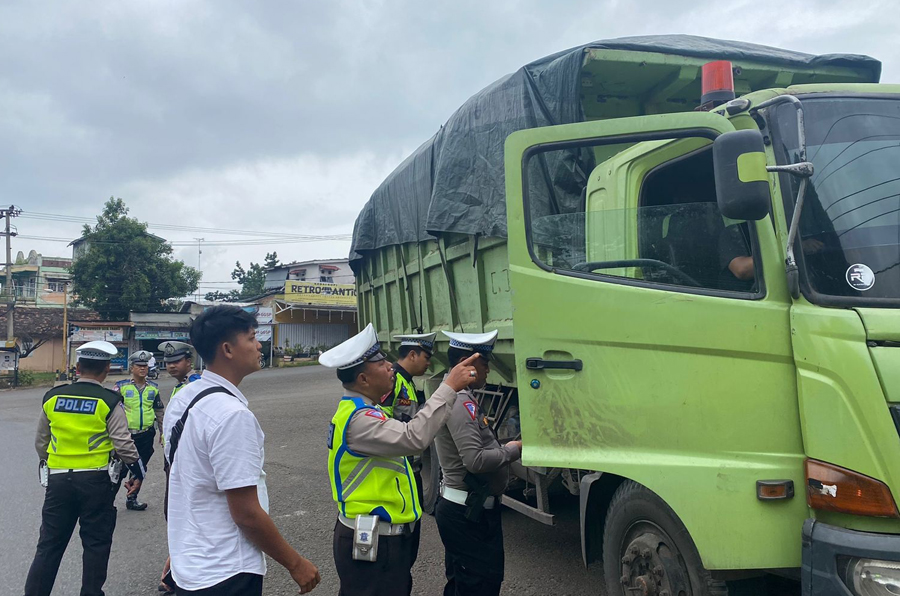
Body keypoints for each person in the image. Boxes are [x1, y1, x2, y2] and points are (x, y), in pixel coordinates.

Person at [162, 305, 320, 595]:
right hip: (226, 572)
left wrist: (180, 547)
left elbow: (183, 480)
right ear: (228, 349)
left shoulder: (183, 398)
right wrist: (296, 564)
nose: (259, 345)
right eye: (250, 338)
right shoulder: (232, 416)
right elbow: (246, 513)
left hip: (192, 566)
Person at [322, 323, 480, 596]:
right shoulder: (359, 420)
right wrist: (449, 386)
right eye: (381, 363)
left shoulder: (367, 410)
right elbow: (413, 437)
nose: (389, 367)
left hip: (386, 535)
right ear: (363, 380)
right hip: (374, 538)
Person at [24, 340, 146, 596]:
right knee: (95, 545)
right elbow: (124, 445)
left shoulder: (53, 397)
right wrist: (137, 471)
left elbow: (41, 442)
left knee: (49, 546)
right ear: (106, 369)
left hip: (58, 483)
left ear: (77, 367)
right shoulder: (109, 400)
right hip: (96, 483)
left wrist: (57, 462)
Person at [434, 330, 523, 596]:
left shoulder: (463, 397)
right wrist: (512, 450)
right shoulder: (459, 401)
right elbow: (475, 460)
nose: (488, 372)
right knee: (477, 585)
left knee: (468, 583)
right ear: (467, 363)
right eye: (485, 364)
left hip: (472, 510)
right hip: (467, 515)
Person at [156, 340, 202, 595]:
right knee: (175, 513)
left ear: (189, 361)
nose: (171, 366)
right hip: (173, 461)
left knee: (183, 513)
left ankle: (175, 575)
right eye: (168, 362)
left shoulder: (195, 387)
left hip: (184, 463)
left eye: (177, 361)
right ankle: (174, 571)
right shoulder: (181, 387)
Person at [381, 333, 437, 507]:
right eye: (426, 358)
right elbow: (382, 423)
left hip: (412, 469)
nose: (428, 364)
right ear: (412, 355)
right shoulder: (393, 380)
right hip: (398, 472)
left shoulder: (408, 382)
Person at [115, 349, 164, 511]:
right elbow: (111, 411)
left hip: (146, 434)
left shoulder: (153, 389)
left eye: (145, 366)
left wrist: (162, 432)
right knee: (119, 468)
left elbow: (159, 412)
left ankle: (132, 498)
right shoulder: (121, 387)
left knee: (140, 467)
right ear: (132, 368)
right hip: (126, 435)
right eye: (139, 366)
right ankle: (107, 500)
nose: (143, 369)